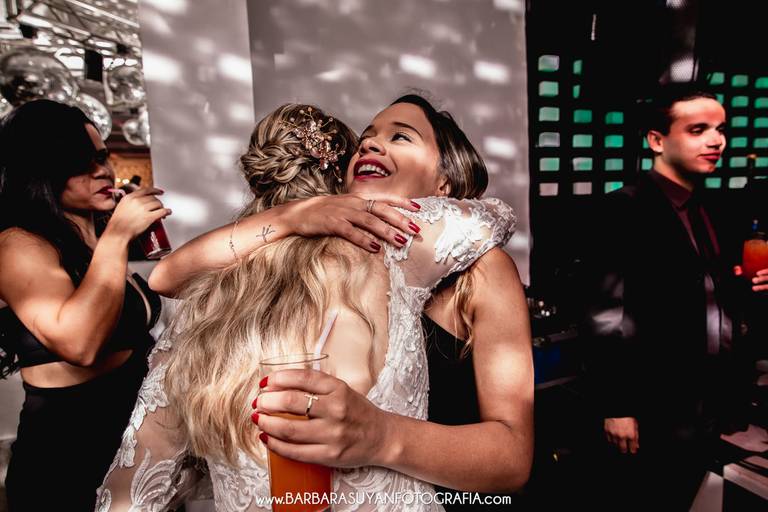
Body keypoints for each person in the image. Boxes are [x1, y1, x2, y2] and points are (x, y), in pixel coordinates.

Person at [98, 97, 531, 510]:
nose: (371, 144)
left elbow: (511, 458)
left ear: (445, 182)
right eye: (365, 137)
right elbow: (169, 276)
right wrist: (292, 218)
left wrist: (382, 436)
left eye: (401, 136)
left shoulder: (479, 268)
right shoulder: (237, 293)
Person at [583, 83, 752, 510]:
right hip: (653, 408)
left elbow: (710, 296)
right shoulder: (623, 209)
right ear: (657, 141)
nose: (717, 141)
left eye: (720, 129)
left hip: (707, 404)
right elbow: (605, 315)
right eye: (698, 130)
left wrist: (750, 285)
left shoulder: (713, 209)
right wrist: (617, 406)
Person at [0, 100, 170, 510]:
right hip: (67, 462)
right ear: (40, 170)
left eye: (102, 157)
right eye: (81, 162)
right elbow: (79, 344)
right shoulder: (17, 244)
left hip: (135, 449)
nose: (102, 171)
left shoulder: (93, 242)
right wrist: (118, 236)